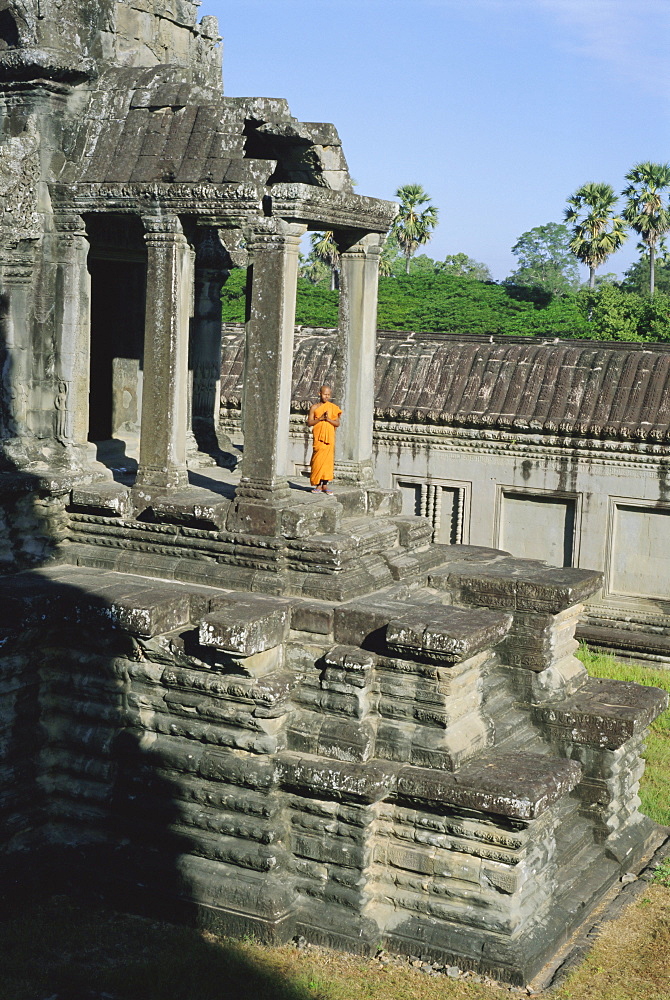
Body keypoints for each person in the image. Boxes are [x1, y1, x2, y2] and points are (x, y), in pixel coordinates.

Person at [307, 385, 342, 494]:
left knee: (327, 462)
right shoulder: (314, 407)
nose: (326, 397)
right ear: (319, 394)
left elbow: (337, 423)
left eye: (328, 395)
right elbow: (309, 423)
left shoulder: (333, 407)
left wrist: (328, 419)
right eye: (324, 394)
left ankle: (325, 485)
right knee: (317, 461)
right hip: (319, 438)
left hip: (329, 438)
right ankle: (318, 485)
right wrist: (321, 419)